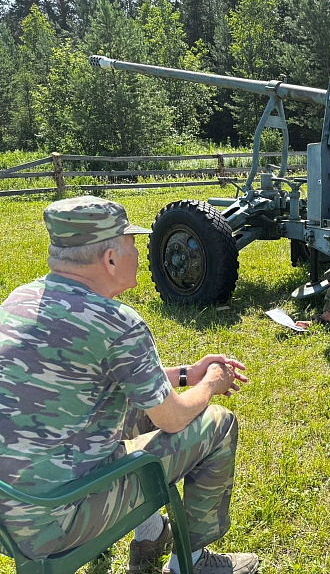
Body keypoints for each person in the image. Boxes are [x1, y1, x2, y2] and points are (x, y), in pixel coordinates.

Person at [0, 196, 257, 574]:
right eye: (132, 243)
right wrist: (211, 384)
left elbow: (112, 379)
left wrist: (187, 374)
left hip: (9, 515)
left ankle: (150, 536)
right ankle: (191, 564)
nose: (138, 253)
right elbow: (172, 418)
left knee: (129, 411)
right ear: (110, 259)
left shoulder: (18, 300)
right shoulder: (117, 322)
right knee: (218, 424)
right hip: (57, 521)